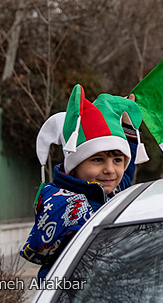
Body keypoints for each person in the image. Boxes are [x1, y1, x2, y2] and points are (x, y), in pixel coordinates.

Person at [20, 85, 149, 279]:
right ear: (74, 166)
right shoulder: (67, 207)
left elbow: (125, 174)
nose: (110, 169)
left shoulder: (101, 192)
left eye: (117, 160)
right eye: (97, 160)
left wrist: (128, 130)